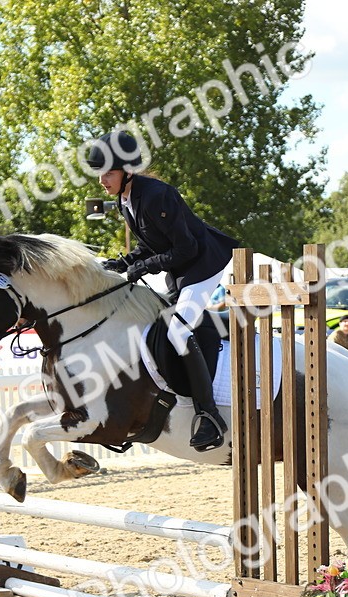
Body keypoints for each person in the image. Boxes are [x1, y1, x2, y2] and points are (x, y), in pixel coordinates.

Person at [86, 129, 238, 451]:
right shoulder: (125, 199)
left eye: (108, 173)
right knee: (154, 328)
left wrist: (140, 268)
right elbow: (149, 243)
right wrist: (124, 262)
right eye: (100, 174)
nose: (102, 180)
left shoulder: (157, 195)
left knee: (178, 333)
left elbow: (186, 249)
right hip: (180, 271)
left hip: (203, 265)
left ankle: (209, 416)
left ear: (127, 171)